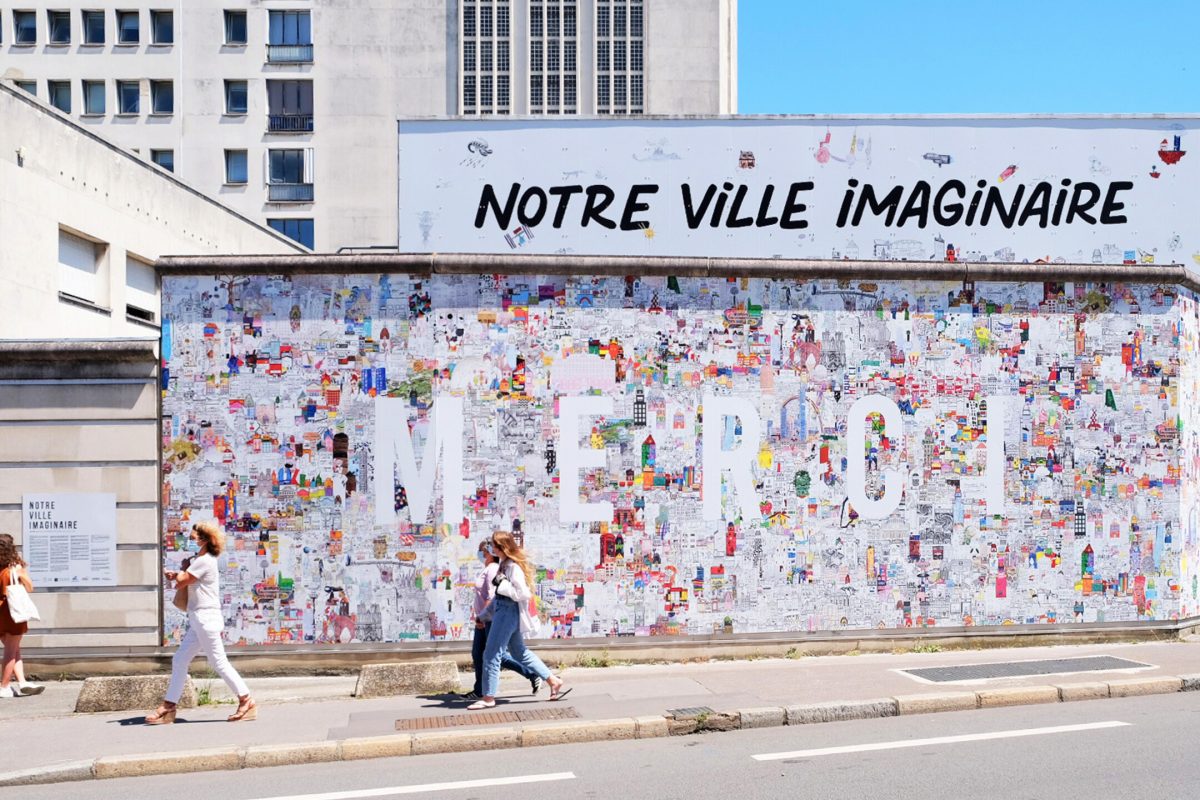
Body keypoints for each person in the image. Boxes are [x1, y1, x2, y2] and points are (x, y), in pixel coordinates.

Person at [145, 521, 256, 724]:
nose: (191, 538)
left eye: (194, 536)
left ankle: (246, 699)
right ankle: (169, 706)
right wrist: (181, 572)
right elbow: (186, 579)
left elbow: (182, 581)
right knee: (179, 660)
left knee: (218, 662)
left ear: (205, 539)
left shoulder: (204, 560)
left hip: (205, 619)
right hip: (199, 619)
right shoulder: (203, 560)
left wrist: (181, 572)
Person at [469, 531, 570, 711]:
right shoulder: (503, 565)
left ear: (501, 547)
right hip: (503, 610)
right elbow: (497, 598)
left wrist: (504, 585)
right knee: (518, 652)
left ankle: (488, 697)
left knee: (491, 654)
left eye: (493, 545)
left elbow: (522, 593)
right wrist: (483, 615)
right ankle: (553, 680)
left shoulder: (513, 567)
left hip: (508, 613)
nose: (491, 548)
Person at [467, 540, 542, 701]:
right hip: (486, 617)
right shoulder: (492, 568)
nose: (481, 553)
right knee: (483, 654)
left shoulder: (494, 568)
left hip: (493, 618)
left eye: (482, 550)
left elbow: (492, 595)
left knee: (496, 655)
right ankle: (480, 690)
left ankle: (488, 695)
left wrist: (485, 617)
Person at [0, 533, 45, 698]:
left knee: (14, 648)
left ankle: (22, 681)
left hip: (0, 612)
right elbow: (29, 587)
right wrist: (19, 575)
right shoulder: (15, 567)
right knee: (11, 651)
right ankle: (4, 686)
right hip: (12, 612)